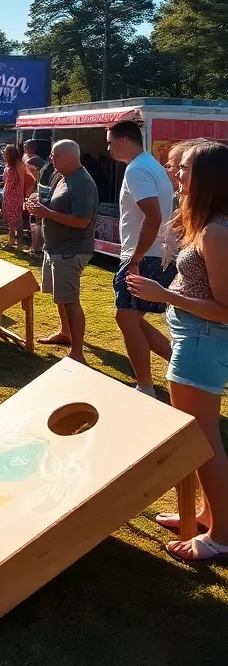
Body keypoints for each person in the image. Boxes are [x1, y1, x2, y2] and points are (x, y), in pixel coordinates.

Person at [125, 142, 228, 563]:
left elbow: (225, 310)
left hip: (203, 341)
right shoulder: (208, 226)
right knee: (199, 439)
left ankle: (222, 537)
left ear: (207, 178)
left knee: (204, 443)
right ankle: (208, 514)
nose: (175, 176)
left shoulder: (218, 232)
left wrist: (164, 294)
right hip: (193, 339)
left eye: (183, 170)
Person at [106, 119, 176, 396]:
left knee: (126, 318)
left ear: (123, 140)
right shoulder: (148, 165)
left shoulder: (137, 169)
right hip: (154, 253)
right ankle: (178, 367)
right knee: (130, 319)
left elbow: (154, 216)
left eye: (110, 142)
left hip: (144, 255)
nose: (108, 148)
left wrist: (136, 257)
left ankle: (145, 386)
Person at [26, 140, 98, 362]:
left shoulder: (82, 183)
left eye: (55, 156)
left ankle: (77, 353)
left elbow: (82, 221)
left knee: (70, 299)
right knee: (60, 297)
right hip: (56, 247)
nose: (51, 160)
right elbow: (56, 203)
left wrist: (46, 212)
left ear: (69, 156)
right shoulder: (62, 177)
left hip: (71, 249)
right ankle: (65, 333)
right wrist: (39, 201)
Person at [1, 144, 27, 249]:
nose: (4, 154)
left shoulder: (19, 165)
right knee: (9, 217)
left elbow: (22, 182)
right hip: (7, 193)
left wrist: (21, 198)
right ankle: (13, 241)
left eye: (6, 152)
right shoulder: (8, 165)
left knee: (16, 219)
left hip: (15, 195)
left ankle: (14, 242)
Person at [23, 139, 45, 255]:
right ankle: (35, 247)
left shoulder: (42, 178)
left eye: (30, 170)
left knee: (38, 225)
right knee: (36, 225)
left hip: (41, 203)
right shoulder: (37, 178)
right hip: (36, 200)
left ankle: (36, 248)